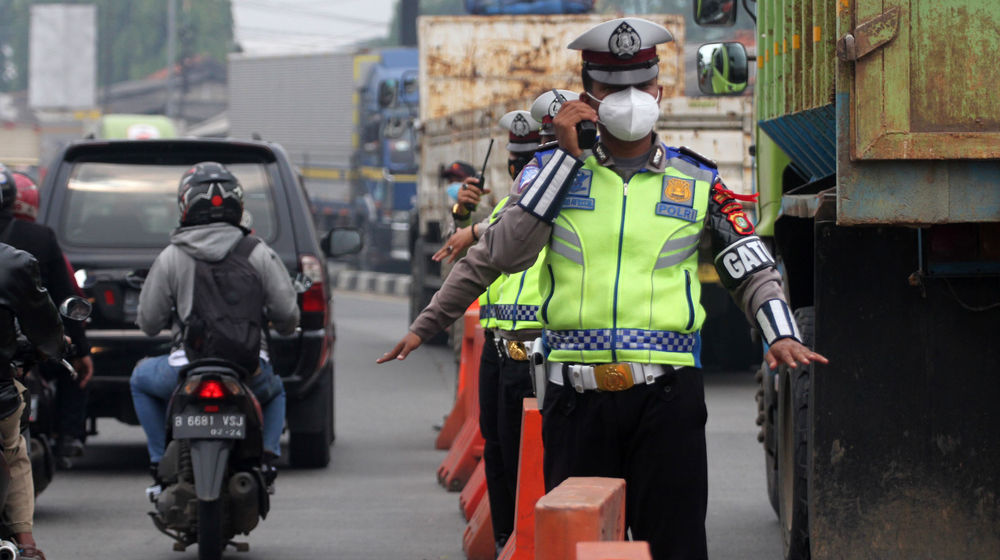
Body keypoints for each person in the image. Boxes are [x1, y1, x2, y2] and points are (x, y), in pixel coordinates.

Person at [379, 18, 828, 560]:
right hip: (576, 403)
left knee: (677, 549)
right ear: (585, 97)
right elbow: (498, 255)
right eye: (613, 89)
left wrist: (778, 330)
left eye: (640, 86)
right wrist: (424, 325)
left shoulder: (698, 180)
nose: (630, 99)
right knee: (578, 548)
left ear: (660, 91)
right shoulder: (549, 175)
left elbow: (750, 266)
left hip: (668, 403)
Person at [131, 162, 298, 492]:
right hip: (248, 370)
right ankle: (266, 458)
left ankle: (157, 462)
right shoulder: (259, 253)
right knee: (276, 389)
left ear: (185, 204)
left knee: (140, 379)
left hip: (184, 369)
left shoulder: (173, 255)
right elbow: (288, 318)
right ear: (239, 205)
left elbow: (149, 323)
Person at [0, 165, 93, 461]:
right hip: (19, 350)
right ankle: (69, 436)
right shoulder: (37, 240)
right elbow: (59, 298)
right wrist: (77, 348)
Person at [0, 179, 64, 560]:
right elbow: (47, 329)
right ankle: (26, 544)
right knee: (14, 450)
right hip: (2, 394)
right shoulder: (15, 262)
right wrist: (57, 348)